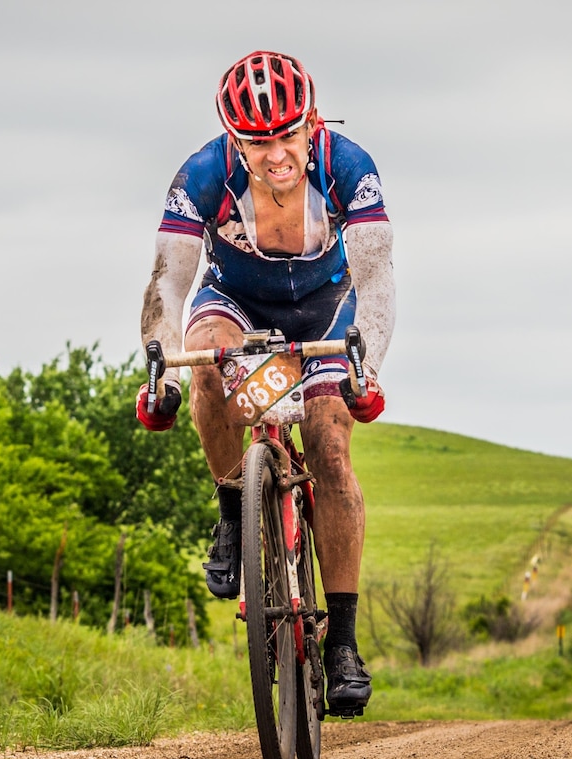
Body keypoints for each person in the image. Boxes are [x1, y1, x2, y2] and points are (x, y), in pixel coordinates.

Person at [135, 51, 395, 718]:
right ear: (233, 138)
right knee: (205, 364)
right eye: (257, 141)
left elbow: (374, 276)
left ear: (310, 122)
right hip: (237, 306)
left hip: (326, 311)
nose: (277, 154)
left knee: (330, 448)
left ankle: (342, 641)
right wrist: (159, 366)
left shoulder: (348, 167)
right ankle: (233, 507)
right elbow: (167, 283)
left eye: (288, 134)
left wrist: (367, 367)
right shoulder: (200, 177)